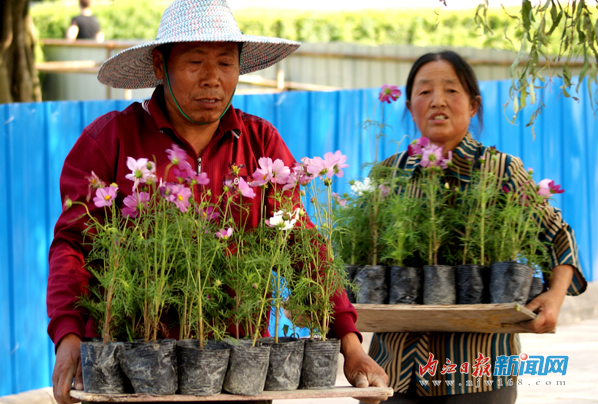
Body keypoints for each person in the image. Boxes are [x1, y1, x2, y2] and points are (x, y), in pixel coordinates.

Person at [47, 1, 389, 404]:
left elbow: (299, 241)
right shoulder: (112, 139)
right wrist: (68, 336)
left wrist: (350, 344)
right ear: (160, 65)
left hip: (237, 374)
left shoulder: (259, 143)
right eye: (195, 62)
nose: (212, 79)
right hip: (131, 374)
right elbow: (73, 246)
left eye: (226, 64)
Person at [366, 51, 588, 404]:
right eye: (424, 92)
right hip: (394, 368)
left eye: (451, 91)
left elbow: (557, 235)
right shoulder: (387, 175)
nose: (437, 101)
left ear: (473, 105)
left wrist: (556, 296)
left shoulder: (501, 171)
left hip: (478, 371)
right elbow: (363, 263)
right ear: (410, 107)